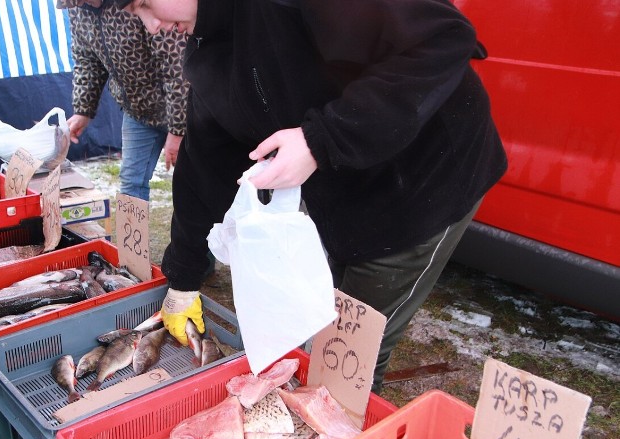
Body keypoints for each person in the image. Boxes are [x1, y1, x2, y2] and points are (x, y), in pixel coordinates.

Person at [119, 0, 507, 391]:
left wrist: (321, 140)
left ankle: (345, 434)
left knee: (348, 354)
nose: (152, 27)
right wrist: (183, 276)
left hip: (420, 184)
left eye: (145, 4)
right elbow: (204, 164)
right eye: (138, 16)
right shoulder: (208, 50)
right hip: (344, 196)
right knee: (326, 321)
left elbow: (443, 37)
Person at [60, 0, 188, 202]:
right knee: (130, 183)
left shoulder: (134, 4)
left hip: (183, 108)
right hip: (138, 112)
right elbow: (87, 60)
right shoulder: (77, 9)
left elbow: (176, 67)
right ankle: (133, 234)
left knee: (191, 184)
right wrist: (83, 110)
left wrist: (178, 129)